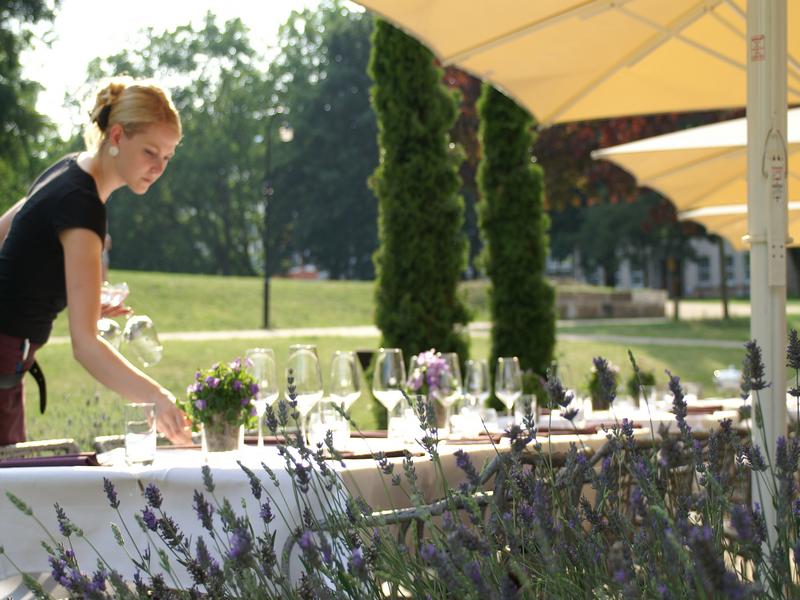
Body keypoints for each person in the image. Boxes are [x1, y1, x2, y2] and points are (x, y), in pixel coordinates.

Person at [0, 77, 190, 445]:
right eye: (150, 152)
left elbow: (12, 236)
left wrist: (76, 294)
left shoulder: (69, 169)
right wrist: (158, 398)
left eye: (167, 157)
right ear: (117, 136)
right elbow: (85, 346)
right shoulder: (82, 205)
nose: (159, 168)